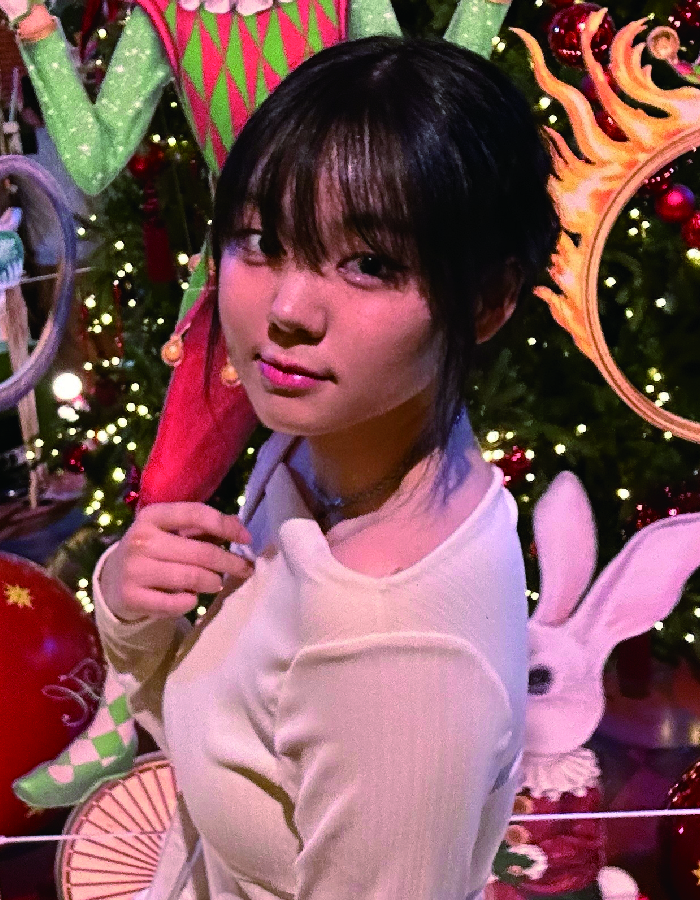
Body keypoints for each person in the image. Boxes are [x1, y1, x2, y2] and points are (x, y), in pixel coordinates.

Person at [93, 35, 558, 900]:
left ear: (488, 300)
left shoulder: (392, 651)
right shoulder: (335, 446)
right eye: (260, 240)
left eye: (369, 264)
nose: (287, 309)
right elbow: (235, 737)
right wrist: (130, 607)